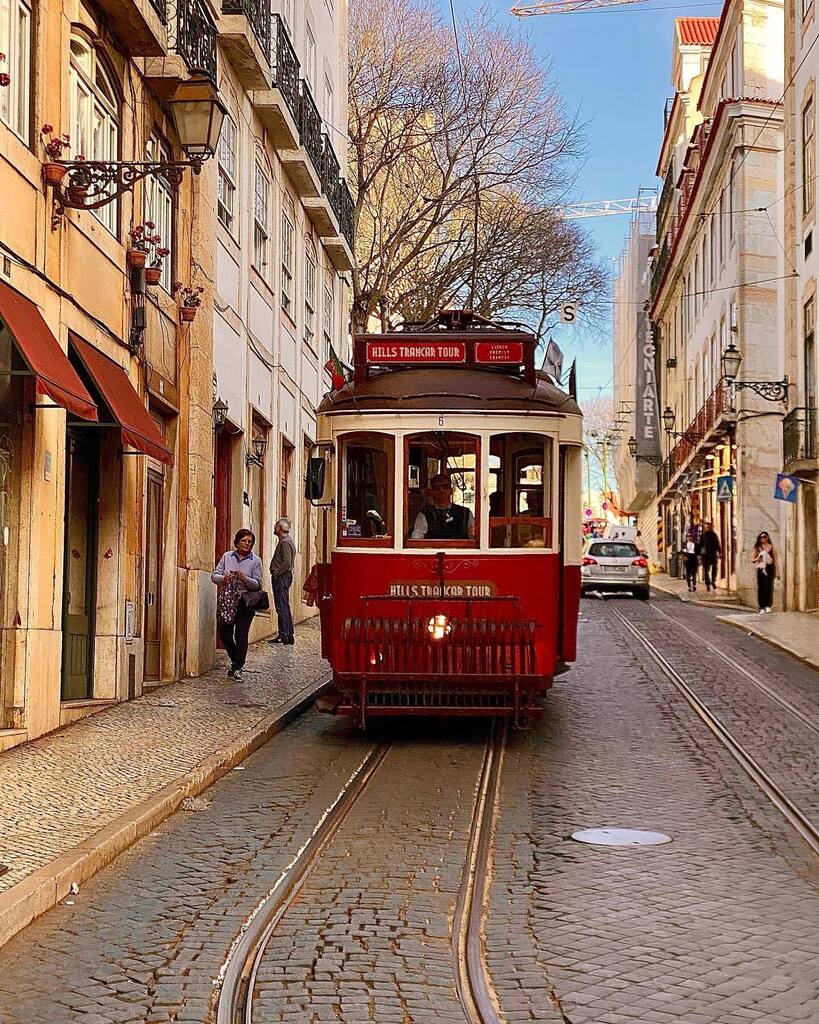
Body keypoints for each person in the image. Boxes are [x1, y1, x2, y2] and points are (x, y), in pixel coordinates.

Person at [212, 529, 263, 681]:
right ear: (237, 542)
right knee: (225, 634)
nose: (247, 544)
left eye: (250, 542)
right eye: (244, 541)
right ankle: (236, 661)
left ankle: (238, 667)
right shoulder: (227, 557)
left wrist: (244, 578)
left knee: (241, 635)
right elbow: (214, 575)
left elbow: (258, 584)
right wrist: (224, 579)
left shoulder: (256, 561)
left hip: (245, 602)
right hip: (228, 601)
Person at [411, 472, 475, 540]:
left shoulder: (465, 513)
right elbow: (417, 538)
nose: (441, 490)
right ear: (432, 492)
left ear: (451, 491)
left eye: (445, 487)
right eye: (437, 488)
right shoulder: (424, 514)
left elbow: (474, 537)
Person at [269, 518, 297, 644]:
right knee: (284, 605)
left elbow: (286, 562)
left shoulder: (285, 542)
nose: (274, 528)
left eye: (276, 526)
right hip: (284, 576)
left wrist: (276, 573)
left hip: (282, 577)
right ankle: (287, 634)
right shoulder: (286, 541)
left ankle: (284, 634)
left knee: (281, 606)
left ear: (280, 528)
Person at [752, 531, 779, 613]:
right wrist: (758, 559)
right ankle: (762, 606)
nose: (762, 538)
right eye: (761, 537)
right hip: (761, 569)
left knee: (769, 586)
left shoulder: (772, 547)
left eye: (764, 537)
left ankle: (768, 605)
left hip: (770, 568)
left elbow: (776, 561)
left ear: (768, 538)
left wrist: (778, 572)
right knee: (761, 587)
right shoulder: (757, 548)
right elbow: (752, 559)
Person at [698, 521, 722, 592]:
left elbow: (717, 543)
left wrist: (719, 552)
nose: (708, 528)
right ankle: (708, 584)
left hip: (713, 554)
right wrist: (699, 555)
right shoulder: (703, 535)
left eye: (709, 527)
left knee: (714, 568)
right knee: (706, 570)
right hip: (705, 555)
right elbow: (700, 545)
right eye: (706, 527)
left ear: (711, 527)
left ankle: (713, 582)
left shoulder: (714, 535)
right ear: (705, 528)